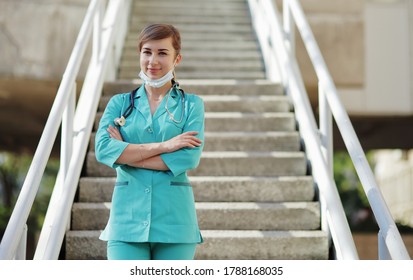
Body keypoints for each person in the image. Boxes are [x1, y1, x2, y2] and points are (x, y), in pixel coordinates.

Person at [95, 23, 205, 260]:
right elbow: (104, 149)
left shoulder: (192, 105)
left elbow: (188, 157)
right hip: (126, 220)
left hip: (176, 223)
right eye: (147, 52)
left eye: (162, 53)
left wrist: (127, 155)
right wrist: (165, 146)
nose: (153, 61)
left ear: (177, 59)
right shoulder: (119, 103)